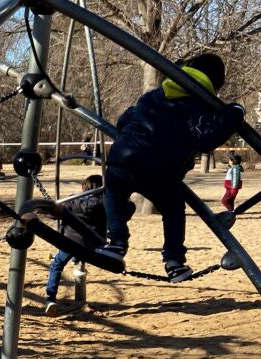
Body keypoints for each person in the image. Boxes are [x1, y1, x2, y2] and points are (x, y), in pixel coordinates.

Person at [98, 53, 245, 283]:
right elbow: (207, 139)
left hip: (124, 158)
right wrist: (235, 111)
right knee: (173, 210)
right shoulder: (199, 106)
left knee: (114, 193)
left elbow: (123, 120)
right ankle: (174, 260)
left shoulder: (153, 96)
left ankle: (116, 242)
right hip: (162, 170)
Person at [44, 175, 117, 315]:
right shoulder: (105, 202)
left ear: (85, 186)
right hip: (94, 243)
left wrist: (49, 206)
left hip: (70, 241)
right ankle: (76, 259)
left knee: (56, 265)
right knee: (79, 253)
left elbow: (53, 215)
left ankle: (50, 298)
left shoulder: (73, 199)